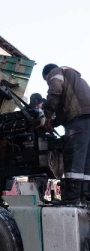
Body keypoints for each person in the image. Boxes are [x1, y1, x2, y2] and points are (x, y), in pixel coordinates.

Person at [42, 63, 90, 205]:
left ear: (47, 75)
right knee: (86, 164)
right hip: (86, 120)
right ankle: (84, 198)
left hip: (78, 121)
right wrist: (54, 123)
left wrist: (48, 116)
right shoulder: (78, 80)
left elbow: (55, 90)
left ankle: (72, 199)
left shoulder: (56, 72)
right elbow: (66, 110)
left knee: (74, 160)